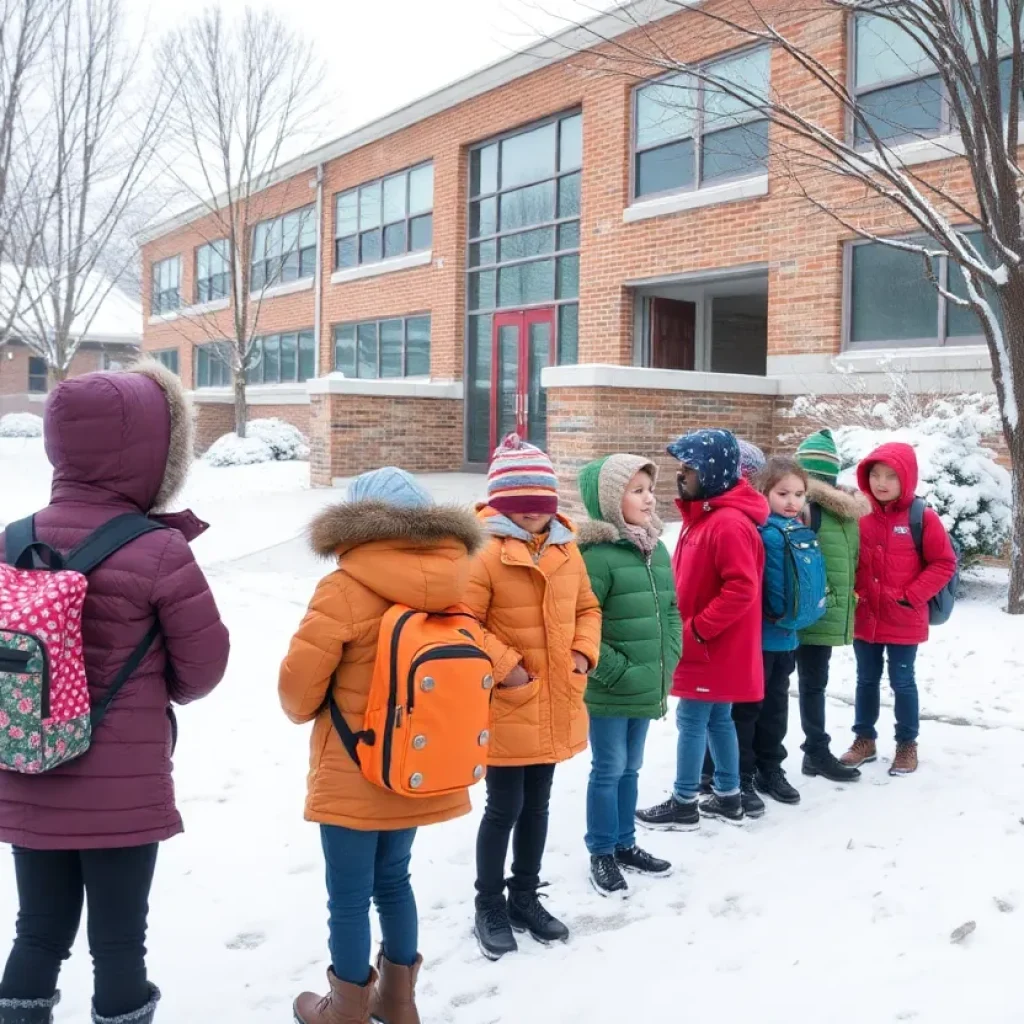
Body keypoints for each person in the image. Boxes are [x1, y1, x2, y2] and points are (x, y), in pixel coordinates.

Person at [0, 361, 230, 1024]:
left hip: (29, 768)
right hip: (123, 790)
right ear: (155, 453)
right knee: (119, 946)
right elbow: (203, 670)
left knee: (37, 932)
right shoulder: (158, 551)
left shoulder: (14, 540)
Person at [279, 467, 484, 1024]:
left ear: (357, 522)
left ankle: (344, 1007)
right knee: (394, 880)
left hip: (353, 767)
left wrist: (303, 708)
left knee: (347, 895)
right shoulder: (452, 587)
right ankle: (398, 1000)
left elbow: (299, 691)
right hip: (415, 763)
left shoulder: (344, 587)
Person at [464, 434, 601, 959]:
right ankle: (489, 903)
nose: (534, 520)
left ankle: (524, 894)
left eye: (542, 509)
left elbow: (588, 608)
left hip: (558, 697)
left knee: (539, 804)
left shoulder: (566, 548)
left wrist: (583, 653)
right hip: (509, 701)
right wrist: (508, 668)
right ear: (502, 506)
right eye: (523, 512)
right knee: (504, 807)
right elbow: (462, 621)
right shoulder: (485, 551)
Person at [636, 429, 768, 830]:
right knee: (717, 720)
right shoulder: (706, 516)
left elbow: (742, 588)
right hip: (707, 645)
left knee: (693, 721)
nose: (681, 475)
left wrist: (697, 631)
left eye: (689, 468)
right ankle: (728, 796)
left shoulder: (726, 523)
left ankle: (684, 800)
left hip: (709, 645)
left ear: (712, 473)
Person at [576, 455, 681, 898]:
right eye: (636, 490)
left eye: (648, 488)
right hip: (610, 685)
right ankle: (601, 849)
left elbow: (672, 610)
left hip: (647, 680)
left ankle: (624, 842)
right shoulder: (596, 556)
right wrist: (617, 670)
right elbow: (576, 623)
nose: (648, 497)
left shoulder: (655, 548)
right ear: (609, 500)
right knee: (608, 768)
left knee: (631, 767)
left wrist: (669, 656)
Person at [840, 443, 956, 776]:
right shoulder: (858, 515)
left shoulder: (922, 517)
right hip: (866, 615)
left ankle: (907, 743)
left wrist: (910, 595)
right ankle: (864, 739)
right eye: (875, 474)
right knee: (865, 679)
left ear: (907, 478)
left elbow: (943, 562)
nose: (882, 482)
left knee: (903, 681)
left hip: (904, 615)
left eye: (891, 475)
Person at [794, 429, 870, 783]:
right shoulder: (804, 508)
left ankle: (815, 752)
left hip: (818, 611)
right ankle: (767, 759)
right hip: (795, 611)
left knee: (808, 685)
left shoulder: (843, 511)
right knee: (785, 688)